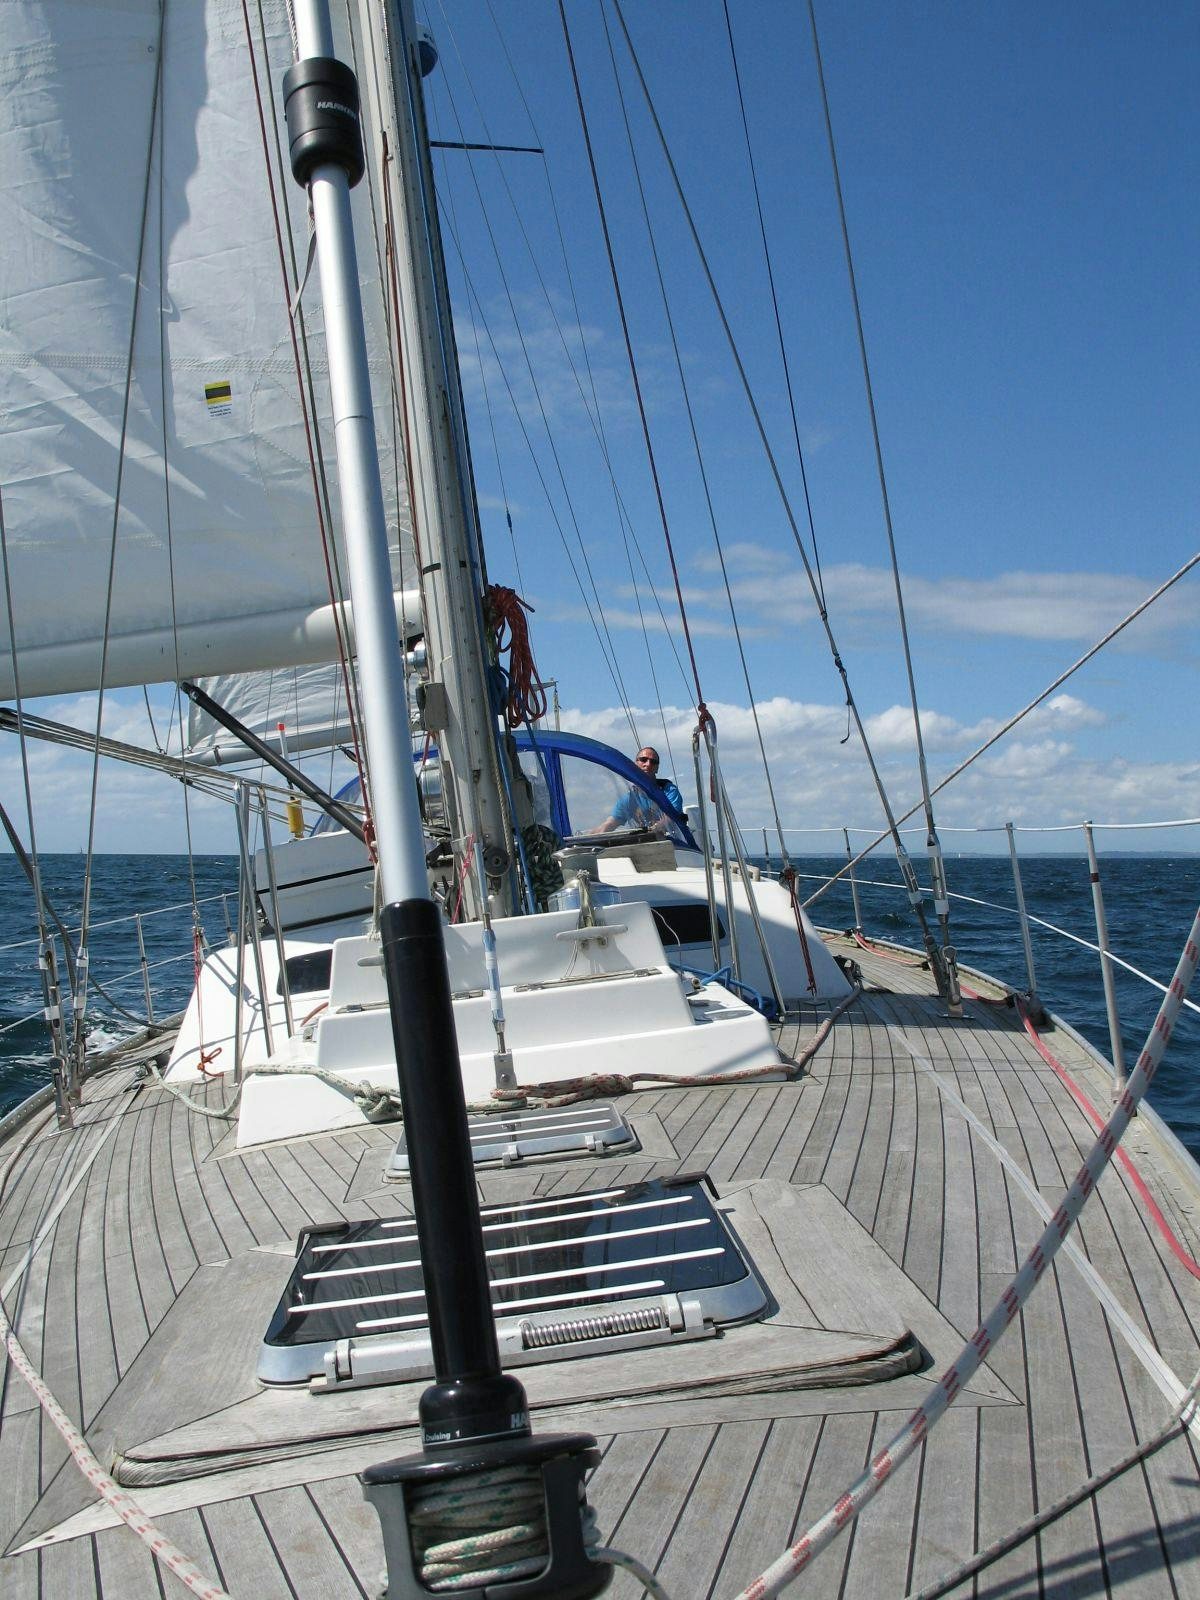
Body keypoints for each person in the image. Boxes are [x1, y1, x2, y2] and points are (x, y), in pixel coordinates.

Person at [598, 747, 684, 835]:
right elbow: (610, 823)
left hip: (673, 842)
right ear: (635, 764)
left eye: (653, 762)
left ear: (657, 768)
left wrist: (651, 830)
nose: (648, 764)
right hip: (644, 843)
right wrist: (590, 836)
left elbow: (671, 817)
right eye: (643, 759)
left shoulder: (669, 790)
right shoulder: (629, 799)